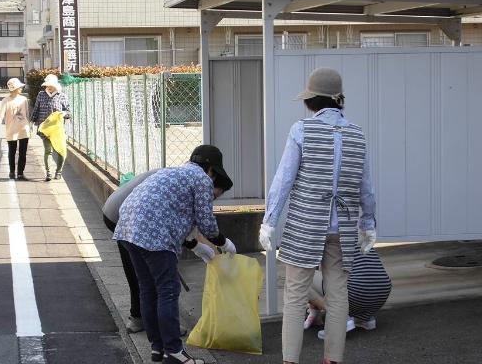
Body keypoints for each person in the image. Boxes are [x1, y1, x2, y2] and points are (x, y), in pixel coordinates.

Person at [258, 68, 377, 364]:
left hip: (305, 224)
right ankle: (332, 360)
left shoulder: (301, 129)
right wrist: (368, 224)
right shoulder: (357, 133)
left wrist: (269, 220)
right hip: (344, 227)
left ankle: (290, 361)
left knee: (295, 295)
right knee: (338, 295)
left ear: (312, 100)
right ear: (338, 100)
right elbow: (366, 186)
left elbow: (284, 179)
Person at [114, 145, 236, 364]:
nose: (214, 195)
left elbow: (173, 213)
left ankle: (157, 348)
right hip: (154, 236)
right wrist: (224, 242)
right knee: (168, 291)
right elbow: (206, 223)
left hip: (127, 229)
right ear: (212, 170)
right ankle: (174, 352)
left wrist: (194, 245)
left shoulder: (172, 172)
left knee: (148, 290)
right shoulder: (202, 180)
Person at [102, 169, 232, 334]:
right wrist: (221, 243)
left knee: (143, 279)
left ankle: (145, 327)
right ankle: (169, 337)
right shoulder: (195, 183)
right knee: (166, 287)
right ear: (210, 177)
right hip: (129, 218)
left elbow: (171, 220)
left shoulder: (173, 176)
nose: (212, 198)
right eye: (215, 195)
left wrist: (195, 246)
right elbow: (195, 224)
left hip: (118, 213)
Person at [304, 245, 392, 339]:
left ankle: (340, 320)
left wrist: (314, 309)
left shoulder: (327, 234)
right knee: (357, 274)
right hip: (381, 293)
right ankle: (364, 319)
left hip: (355, 292)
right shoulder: (357, 232)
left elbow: (315, 266)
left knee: (302, 280)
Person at [30, 74, 71, 181]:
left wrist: (63, 113)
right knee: (48, 150)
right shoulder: (41, 94)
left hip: (57, 129)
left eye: (51, 85)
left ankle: (58, 171)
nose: (48, 87)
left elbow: (69, 112)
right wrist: (32, 122)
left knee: (60, 150)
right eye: (47, 85)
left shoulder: (62, 96)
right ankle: (48, 173)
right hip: (44, 128)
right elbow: (36, 109)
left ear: (55, 86)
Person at [0, 78, 31, 180]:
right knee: (12, 152)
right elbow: (0, 115)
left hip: (24, 128)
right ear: (14, 88)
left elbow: (27, 114)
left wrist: (30, 127)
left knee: (23, 152)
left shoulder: (24, 99)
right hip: (11, 129)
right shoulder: (5, 101)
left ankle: (20, 173)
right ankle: (12, 171)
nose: (21, 88)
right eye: (19, 87)